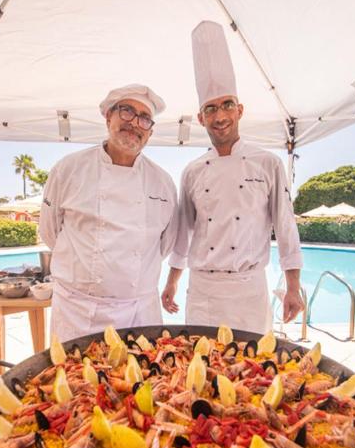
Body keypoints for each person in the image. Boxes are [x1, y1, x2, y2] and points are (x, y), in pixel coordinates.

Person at [161, 21, 303, 333]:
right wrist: (172, 281)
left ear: (239, 110)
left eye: (227, 105)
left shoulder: (268, 163)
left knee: (253, 372)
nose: (220, 116)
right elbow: (184, 233)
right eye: (210, 109)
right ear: (201, 118)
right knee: (199, 371)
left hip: (248, 289)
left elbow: (285, 224)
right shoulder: (193, 171)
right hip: (203, 291)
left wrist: (293, 287)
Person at [39, 84, 178, 343]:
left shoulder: (163, 183)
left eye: (144, 118)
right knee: (73, 380)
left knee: (145, 381)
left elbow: (165, 244)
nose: (135, 123)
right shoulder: (68, 170)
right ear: (108, 117)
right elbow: (50, 233)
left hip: (140, 312)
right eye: (126, 111)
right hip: (78, 312)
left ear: (150, 132)